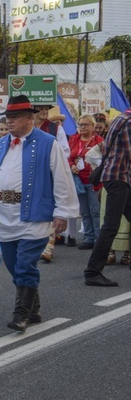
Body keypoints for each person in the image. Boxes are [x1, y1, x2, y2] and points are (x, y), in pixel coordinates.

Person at [0, 95, 79, 332]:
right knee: (14, 266)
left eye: (14, 117)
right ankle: (33, 308)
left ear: (29, 118)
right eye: (8, 117)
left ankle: (21, 314)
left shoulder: (48, 143)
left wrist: (62, 212)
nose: (10, 122)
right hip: (4, 214)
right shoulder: (1, 144)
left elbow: (62, 179)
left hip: (34, 214)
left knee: (25, 265)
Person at [84, 109, 131, 286]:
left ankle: (93, 271)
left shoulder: (120, 118)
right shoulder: (129, 122)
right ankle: (92, 272)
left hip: (118, 177)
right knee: (111, 225)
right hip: (118, 178)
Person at [32, 102, 71, 263]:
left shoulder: (56, 129)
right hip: (31, 176)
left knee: (51, 207)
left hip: (50, 174)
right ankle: (37, 242)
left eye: (46, 109)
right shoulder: (28, 129)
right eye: (40, 108)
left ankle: (49, 245)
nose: (44, 111)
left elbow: (65, 151)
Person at [85, 143, 131, 266]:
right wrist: (103, 164)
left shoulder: (115, 133)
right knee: (111, 223)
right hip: (119, 183)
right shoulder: (124, 129)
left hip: (117, 182)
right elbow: (91, 154)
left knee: (117, 223)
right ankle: (108, 254)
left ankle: (126, 253)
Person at [68, 114, 104, 251]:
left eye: (85, 124)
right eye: (80, 124)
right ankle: (89, 238)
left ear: (92, 126)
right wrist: (71, 165)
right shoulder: (73, 139)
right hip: (78, 180)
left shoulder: (99, 140)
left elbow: (103, 159)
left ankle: (99, 238)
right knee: (84, 211)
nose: (82, 127)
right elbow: (68, 157)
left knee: (95, 210)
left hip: (93, 180)